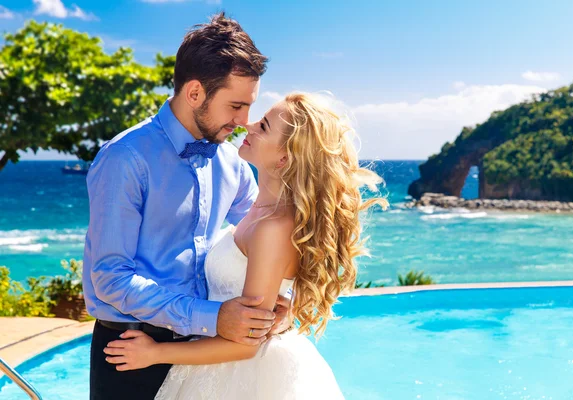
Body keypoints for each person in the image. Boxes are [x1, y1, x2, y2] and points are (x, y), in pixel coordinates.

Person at [103, 92, 389, 399]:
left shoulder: (272, 228)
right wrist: (285, 305)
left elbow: (245, 346)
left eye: (264, 126)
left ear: (284, 158)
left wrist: (156, 353)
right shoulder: (259, 208)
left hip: (245, 375)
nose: (249, 125)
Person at [83, 13, 292, 400]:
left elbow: (264, 235)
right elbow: (110, 279)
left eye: (249, 106)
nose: (245, 121)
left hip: (206, 355)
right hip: (129, 352)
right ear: (195, 93)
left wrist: (278, 302)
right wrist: (214, 317)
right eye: (235, 106)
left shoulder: (231, 163)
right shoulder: (125, 158)